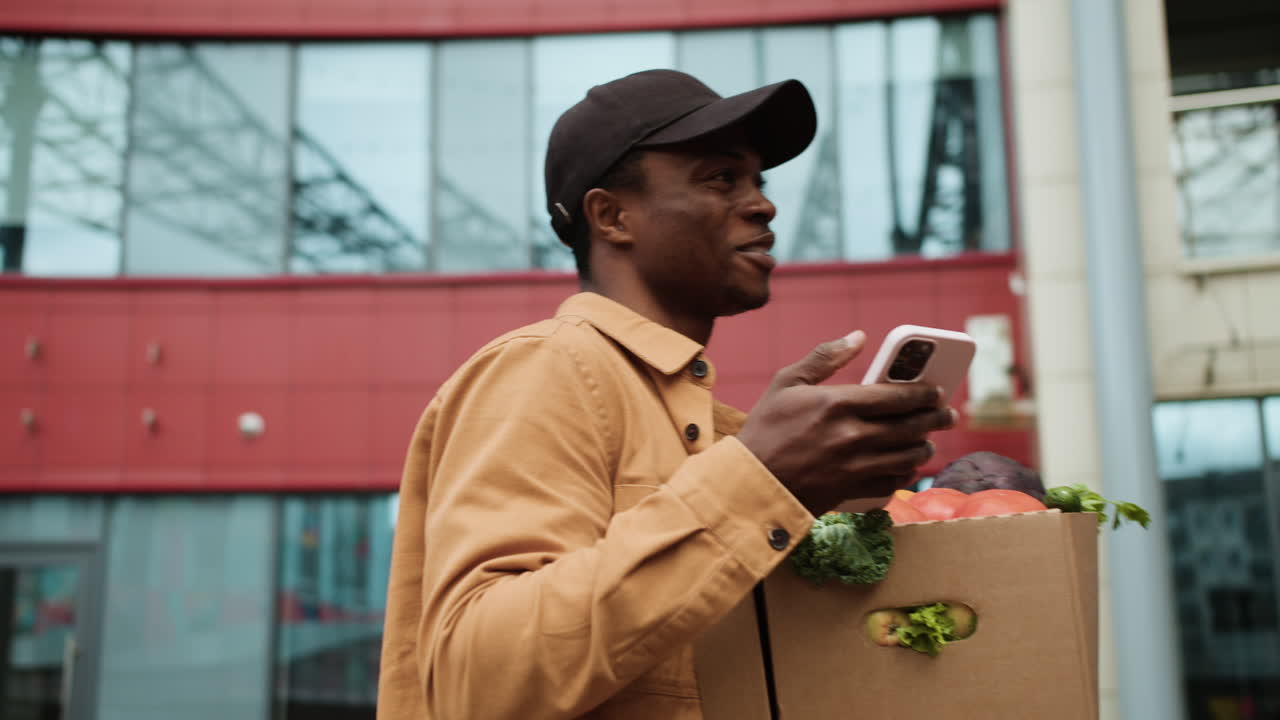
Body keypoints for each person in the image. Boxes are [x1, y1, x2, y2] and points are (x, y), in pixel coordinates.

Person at [376, 69, 957, 719]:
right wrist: (758, 479)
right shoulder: (546, 366)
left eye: (759, 181)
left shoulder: (722, 427)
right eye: (720, 177)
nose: (763, 204)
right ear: (612, 215)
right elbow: (476, 681)